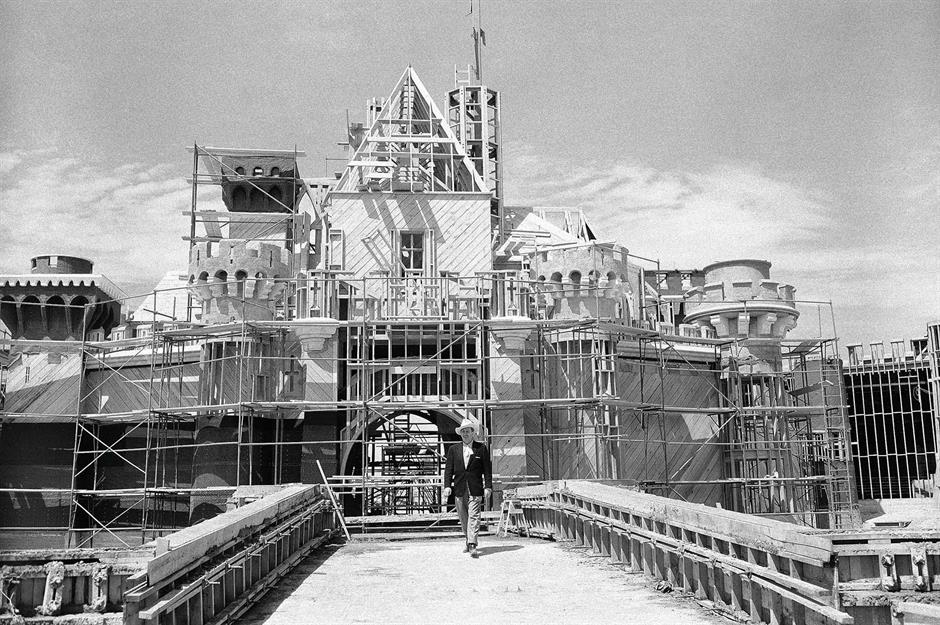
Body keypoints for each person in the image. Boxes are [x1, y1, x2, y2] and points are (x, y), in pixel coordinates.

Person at [443, 417, 492, 558]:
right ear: (460, 433)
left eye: (468, 431)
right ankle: (468, 539)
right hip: (459, 489)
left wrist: (488, 487)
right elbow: (448, 470)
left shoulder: (481, 449)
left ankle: (472, 544)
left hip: (475, 488)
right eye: (463, 431)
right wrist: (447, 486)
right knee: (463, 517)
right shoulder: (453, 450)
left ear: (473, 433)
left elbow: (487, 470)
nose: (465, 434)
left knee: (474, 516)